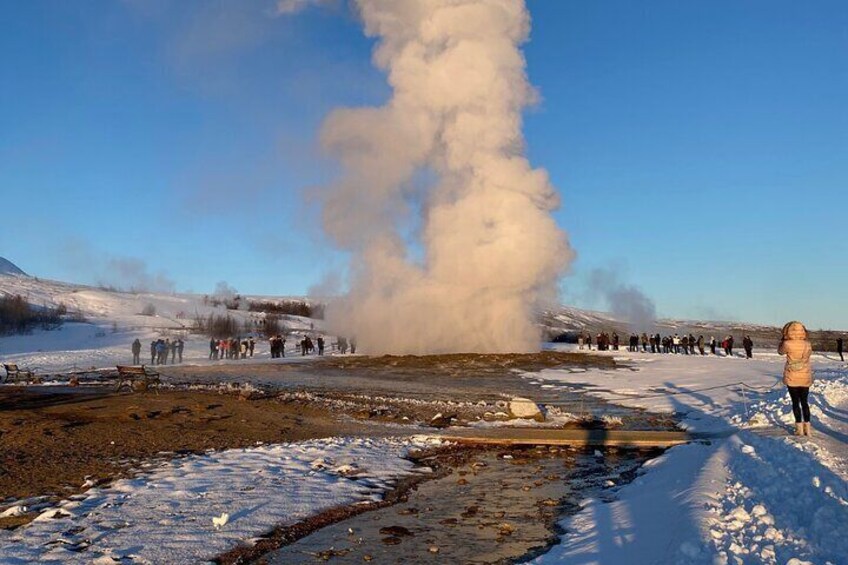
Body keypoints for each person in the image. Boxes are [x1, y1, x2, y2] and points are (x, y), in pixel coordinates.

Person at [779, 321, 813, 436]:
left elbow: (780, 352)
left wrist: (783, 340)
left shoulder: (787, 344)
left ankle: (799, 428)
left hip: (792, 375)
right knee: (805, 402)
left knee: (795, 402)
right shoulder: (807, 344)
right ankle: (807, 428)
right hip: (804, 375)